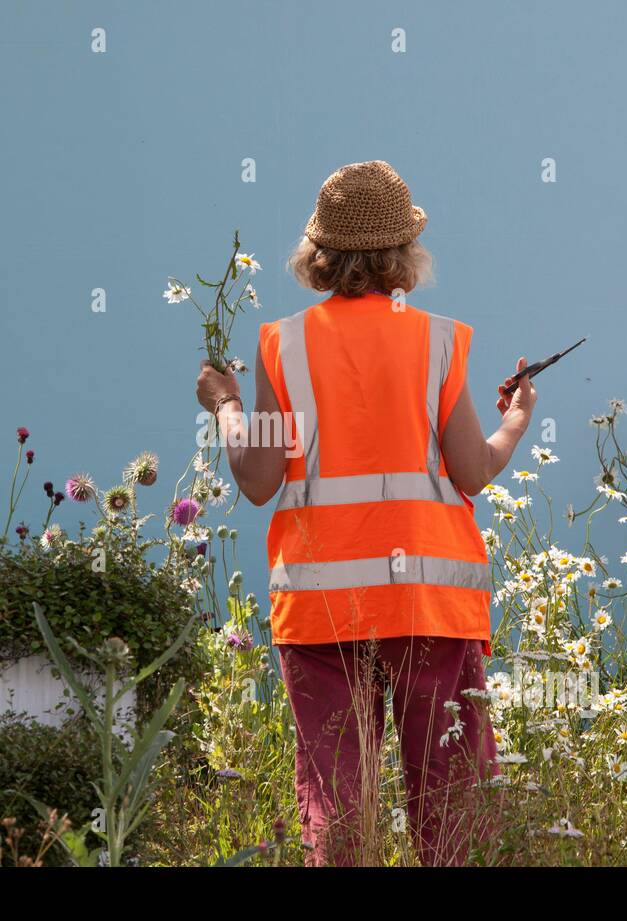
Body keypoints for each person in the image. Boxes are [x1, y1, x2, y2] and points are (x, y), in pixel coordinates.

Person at [194, 160, 537, 865]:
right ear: (404, 254)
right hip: (427, 607)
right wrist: (516, 422)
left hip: (323, 610)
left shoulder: (282, 344)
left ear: (317, 256)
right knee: (448, 797)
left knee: (338, 805)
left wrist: (227, 403)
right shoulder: (437, 339)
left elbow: (258, 478)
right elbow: (473, 470)